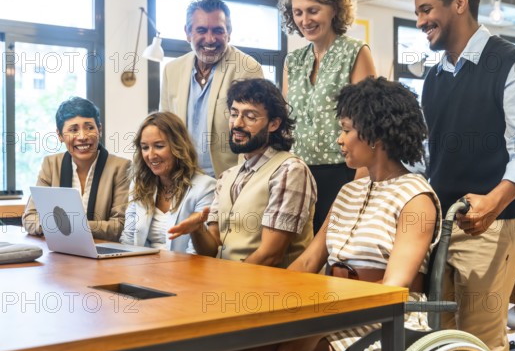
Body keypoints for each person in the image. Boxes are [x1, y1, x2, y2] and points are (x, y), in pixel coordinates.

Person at [210, 77, 442, 351]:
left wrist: (317, 330)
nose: (339, 139)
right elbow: (307, 263)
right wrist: (264, 304)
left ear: (375, 136)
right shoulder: (350, 191)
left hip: (385, 320)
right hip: (333, 306)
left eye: (346, 130)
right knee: (225, 347)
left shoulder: (415, 197)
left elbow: (393, 287)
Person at [413, 0, 515, 351]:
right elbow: (430, 154)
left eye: (427, 10)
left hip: (494, 223)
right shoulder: (435, 76)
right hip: (442, 223)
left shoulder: (512, 64)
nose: (420, 21)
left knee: (479, 341)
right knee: (440, 339)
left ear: (459, 3)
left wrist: (492, 203)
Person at [169, 78, 316, 268]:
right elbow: (213, 249)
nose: (237, 124)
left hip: (274, 292)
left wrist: (227, 284)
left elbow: (271, 255)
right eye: (234, 114)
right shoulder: (226, 176)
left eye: (250, 116)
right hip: (229, 284)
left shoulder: (290, 171)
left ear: (274, 124)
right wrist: (197, 230)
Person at [281, 0, 377, 234]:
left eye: (313, 10)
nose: (304, 20)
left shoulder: (355, 52)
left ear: (334, 9)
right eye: (298, 12)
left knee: (335, 255)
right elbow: (288, 123)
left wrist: (360, 183)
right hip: (299, 175)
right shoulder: (293, 61)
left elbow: (369, 124)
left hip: (343, 172)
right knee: (302, 253)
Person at [160, 0, 264, 178]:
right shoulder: (172, 70)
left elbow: (253, 134)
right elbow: (165, 129)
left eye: (218, 30)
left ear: (229, 32)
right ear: (188, 32)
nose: (210, 39)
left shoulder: (248, 69)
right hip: (183, 179)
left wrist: (239, 183)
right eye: (201, 30)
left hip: (226, 179)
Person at [22, 97, 130, 241]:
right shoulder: (51, 164)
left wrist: (69, 226)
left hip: (103, 253)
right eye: (73, 130)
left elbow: (119, 226)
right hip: (59, 251)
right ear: (60, 135)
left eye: (90, 127)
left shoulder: (121, 167)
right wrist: (63, 226)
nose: (82, 136)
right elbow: (30, 218)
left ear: (100, 130)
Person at [119, 112, 216, 253]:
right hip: (141, 269)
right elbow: (128, 239)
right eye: (145, 147)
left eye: (158, 146)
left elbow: (197, 254)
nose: (150, 155)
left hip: (182, 270)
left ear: (178, 146)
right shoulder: (139, 183)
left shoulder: (205, 187)